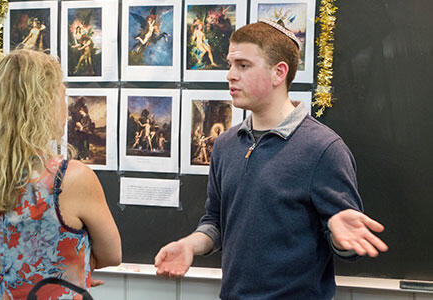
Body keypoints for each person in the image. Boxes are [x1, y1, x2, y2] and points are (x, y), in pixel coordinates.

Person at [155, 21, 388, 299]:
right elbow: (215, 223)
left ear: (279, 73)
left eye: (243, 65)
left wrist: (339, 239)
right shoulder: (226, 145)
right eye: (230, 64)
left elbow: (348, 244)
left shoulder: (323, 148)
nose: (230, 75)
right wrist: (189, 245)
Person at [0, 49, 121, 299]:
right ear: (41, 107)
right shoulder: (70, 178)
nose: (66, 110)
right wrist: (70, 269)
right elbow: (112, 255)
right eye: (62, 97)